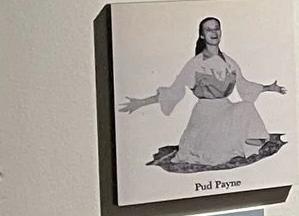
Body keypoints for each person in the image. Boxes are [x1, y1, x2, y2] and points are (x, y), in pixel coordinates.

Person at [120, 16, 286, 174]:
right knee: (213, 154)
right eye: (208, 30)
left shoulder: (229, 62)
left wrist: (269, 88)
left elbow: (244, 85)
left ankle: (240, 142)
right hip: (205, 117)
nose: (214, 33)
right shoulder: (195, 64)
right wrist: (140, 103)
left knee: (246, 106)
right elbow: (174, 91)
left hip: (226, 109)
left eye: (217, 29)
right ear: (202, 35)